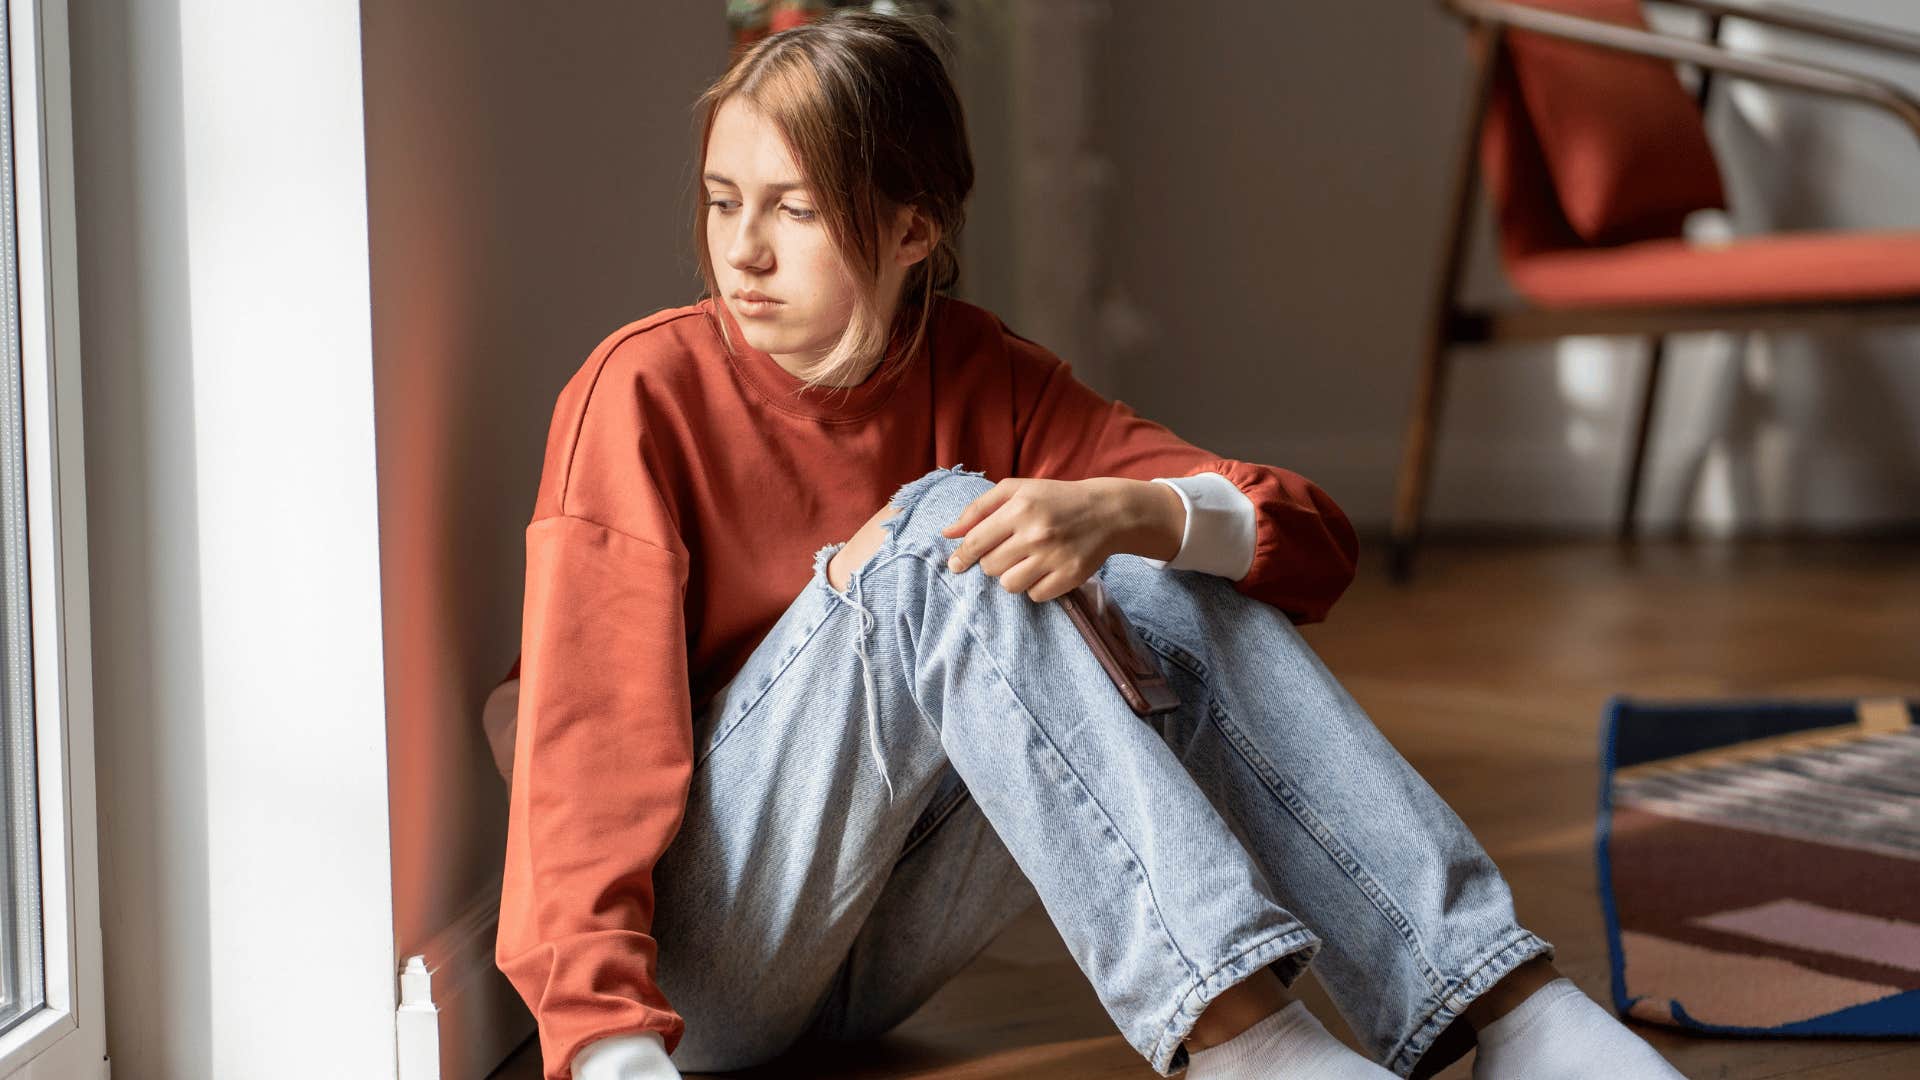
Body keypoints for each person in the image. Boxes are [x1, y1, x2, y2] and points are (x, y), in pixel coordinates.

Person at [494, 11, 1689, 1080]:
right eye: (721, 199)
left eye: (795, 210)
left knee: (1150, 573)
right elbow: (580, 744)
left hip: (873, 955)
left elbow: (1309, 541)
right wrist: (607, 1044)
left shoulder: (982, 371)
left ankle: (1506, 1005)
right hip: (700, 969)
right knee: (934, 536)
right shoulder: (641, 388)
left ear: (914, 230)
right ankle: (1244, 1040)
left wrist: (1129, 513)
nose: (741, 252)